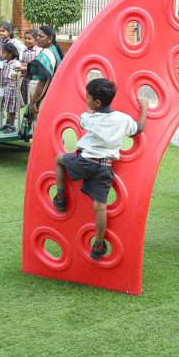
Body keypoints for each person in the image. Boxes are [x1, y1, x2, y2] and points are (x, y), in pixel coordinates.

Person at [53, 79, 147, 261]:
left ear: (97, 103)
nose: (86, 99)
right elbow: (139, 128)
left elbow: (84, 119)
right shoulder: (123, 119)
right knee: (100, 207)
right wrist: (145, 108)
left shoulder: (89, 118)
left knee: (59, 159)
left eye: (88, 97)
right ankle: (98, 244)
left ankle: (61, 197)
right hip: (104, 167)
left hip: (84, 162)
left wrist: (90, 111)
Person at [23, 25, 65, 126]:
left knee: (40, 126)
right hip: (53, 94)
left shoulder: (46, 54)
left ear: (50, 38)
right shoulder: (54, 49)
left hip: (43, 96)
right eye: (37, 36)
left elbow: (42, 81)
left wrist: (33, 102)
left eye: (41, 36)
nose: (37, 38)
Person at [0, 21, 24, 119]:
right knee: (1, 88)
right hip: (1, 67)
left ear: (9, 32)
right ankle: (1, 110)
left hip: (11, 67)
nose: (1, 33)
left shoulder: (14, 42)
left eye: (3, 31)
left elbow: (23, 49)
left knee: (11, 90)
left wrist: (18, 61)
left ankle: (13, 112)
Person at [17, 29, 41, 140]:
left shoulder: (39, 51)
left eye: (29, 38)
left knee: (33, 106)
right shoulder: (24, 51)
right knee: (27, 105)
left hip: (36, 82)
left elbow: (35, 67)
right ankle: (27, 131)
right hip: (26, 80)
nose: (27, 40)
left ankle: (34, 132)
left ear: (36, 40)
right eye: (25, 38)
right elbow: (21, 63)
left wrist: (25, 67)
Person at [0, 42, 21, 133]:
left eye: (4, 53)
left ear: (10, 54)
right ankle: (7, 123)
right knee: (6, 106)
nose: (2, 54)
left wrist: (17, 75)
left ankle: (11, 125)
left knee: (11, 108)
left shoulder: (15, 63)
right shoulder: (3, 62)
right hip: (5, 87)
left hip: (12, 88)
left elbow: (21, 72)